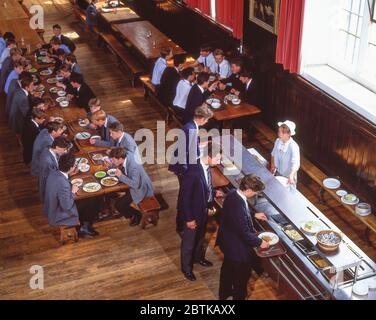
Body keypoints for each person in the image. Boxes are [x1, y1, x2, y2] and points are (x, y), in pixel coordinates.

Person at [217, 175, 270, 300]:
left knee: (227, 270)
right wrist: (260, 242)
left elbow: (239, 215)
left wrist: (254, 214)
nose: (255, 194)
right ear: (249, 190)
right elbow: (244, 233)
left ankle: (223, 294)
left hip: (227, 243)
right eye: (256, 192)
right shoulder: (239, 206)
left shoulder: (232, 194)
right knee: (241, 278)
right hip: (238, 249)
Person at [177, 147, 222, 281]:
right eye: (217, 158)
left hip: (202, 211)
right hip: (193, 214)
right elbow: (184, 198)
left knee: (200, 238)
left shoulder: (206, 167)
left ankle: (198, 258)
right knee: (189, 243)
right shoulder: (192, 171)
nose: (219, 161)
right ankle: (186, 269)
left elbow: (204, 186)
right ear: (208, 156)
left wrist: (213, 193)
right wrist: (190, 219)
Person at [44, 154, 99, 237]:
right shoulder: (63, 183)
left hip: (52, 207)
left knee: (89, 200)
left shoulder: (54, 173)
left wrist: (70, 174)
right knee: (93, 200)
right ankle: (84, 228)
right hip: (60, 213)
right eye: (75, 165)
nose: (75, 166)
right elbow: (67, 206)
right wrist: (73, 192)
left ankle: (88, 219)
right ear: (71, 167)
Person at [168, 105, 213, 185]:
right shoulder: (191, 129)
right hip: (182, 166)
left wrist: (199, 143)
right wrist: (185, 171)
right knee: (185, 187)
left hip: (182, 162)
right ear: (202, 119)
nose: (207, 122)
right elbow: (183, 152)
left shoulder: (191, 125)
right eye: (207, 119)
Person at [109, 148, 154, 226]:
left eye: (113, 160)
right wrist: (111, 165)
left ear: (120, 159)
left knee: (119, 205)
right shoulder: (125, 156)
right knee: (113, 191)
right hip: (134, 183)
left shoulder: (134, 167)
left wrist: (121, 176)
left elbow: (135, 185)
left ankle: (136, 214)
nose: (112, 161)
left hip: (141, 189)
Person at [38, 137, 71, 201]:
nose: (66, 151)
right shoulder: (47, 161)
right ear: (57, 147)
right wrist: (68, 173)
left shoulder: (49, 148)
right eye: (64, 149)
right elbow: (52, 179)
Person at [270, 120, 300, 186]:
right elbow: (273, 154)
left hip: (289, 176)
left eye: (283, 133)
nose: (279, 134)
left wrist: (291, 175)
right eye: (279, 131)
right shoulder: (277, 141)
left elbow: (296, 164)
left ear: (289, 134)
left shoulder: (294, 146)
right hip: (278, 172)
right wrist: (272, 165)